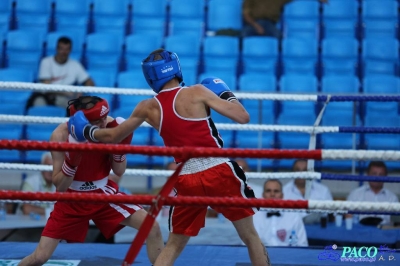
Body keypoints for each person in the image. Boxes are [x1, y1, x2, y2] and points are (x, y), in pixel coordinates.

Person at [68, 49, 271, 266]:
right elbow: (243, 117)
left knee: (173, 245)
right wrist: (225, 93)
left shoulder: (147, 107)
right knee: (250, 236)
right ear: (176, 68)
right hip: (218, 169)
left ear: (150, 77)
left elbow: (112, 136)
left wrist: (87, 131)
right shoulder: (197, 92)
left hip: (186, 177)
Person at [18, 96, 163, 266]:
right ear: (81, 121)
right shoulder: (60, 135)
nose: (103, 124)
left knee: (152, 227)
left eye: (104, 117)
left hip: (103, 194)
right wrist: (72, 162)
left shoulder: (110, 127)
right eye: (97, 121)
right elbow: (60, 186)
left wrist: (119, 151)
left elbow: (119, 171)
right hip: (71, 199)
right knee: (39, 257)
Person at [26, 36, 95, 110]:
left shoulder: (75, 65)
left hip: (64, 98)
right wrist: (66, 92)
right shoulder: (46, 62)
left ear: (70, 50)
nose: (64, 52)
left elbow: (90, 83)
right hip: (45, 96)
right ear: (56, 49)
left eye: (67, 49)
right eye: (61, 49)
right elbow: (47, 87)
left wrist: (81, 91)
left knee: (75, 107)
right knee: (38, 103)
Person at [253, 179, 308, 247]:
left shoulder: (294, 216)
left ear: (282, 195)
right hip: (260, 256)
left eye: (276, 191)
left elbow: (302, 245)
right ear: (263, 195)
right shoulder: (254, 217)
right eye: (268, 191)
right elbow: (246, 245)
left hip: (288, 255)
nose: (272, 194)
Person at [346, 161, 399, 226]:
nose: (377, 177)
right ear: (368, 174)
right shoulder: (355, 194)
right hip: (360, 233)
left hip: (384, 234)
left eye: (381, 175)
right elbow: (348, 218)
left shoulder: (392, 198)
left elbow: (396, 224)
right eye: (374, 174)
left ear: (386, 176)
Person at [242, 0, 328, 38]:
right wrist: (256, 26)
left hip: (269, 23)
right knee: (243, 35)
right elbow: (245, 15)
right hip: (253, 23)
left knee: (279, 37)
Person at [282, 159, 333, 224]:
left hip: (319, 231)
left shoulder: (323, 190)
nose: (301, 174)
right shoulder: (284, 191)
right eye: (298, 170)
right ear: (293, 172)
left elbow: (331, 216)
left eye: (304, 170)